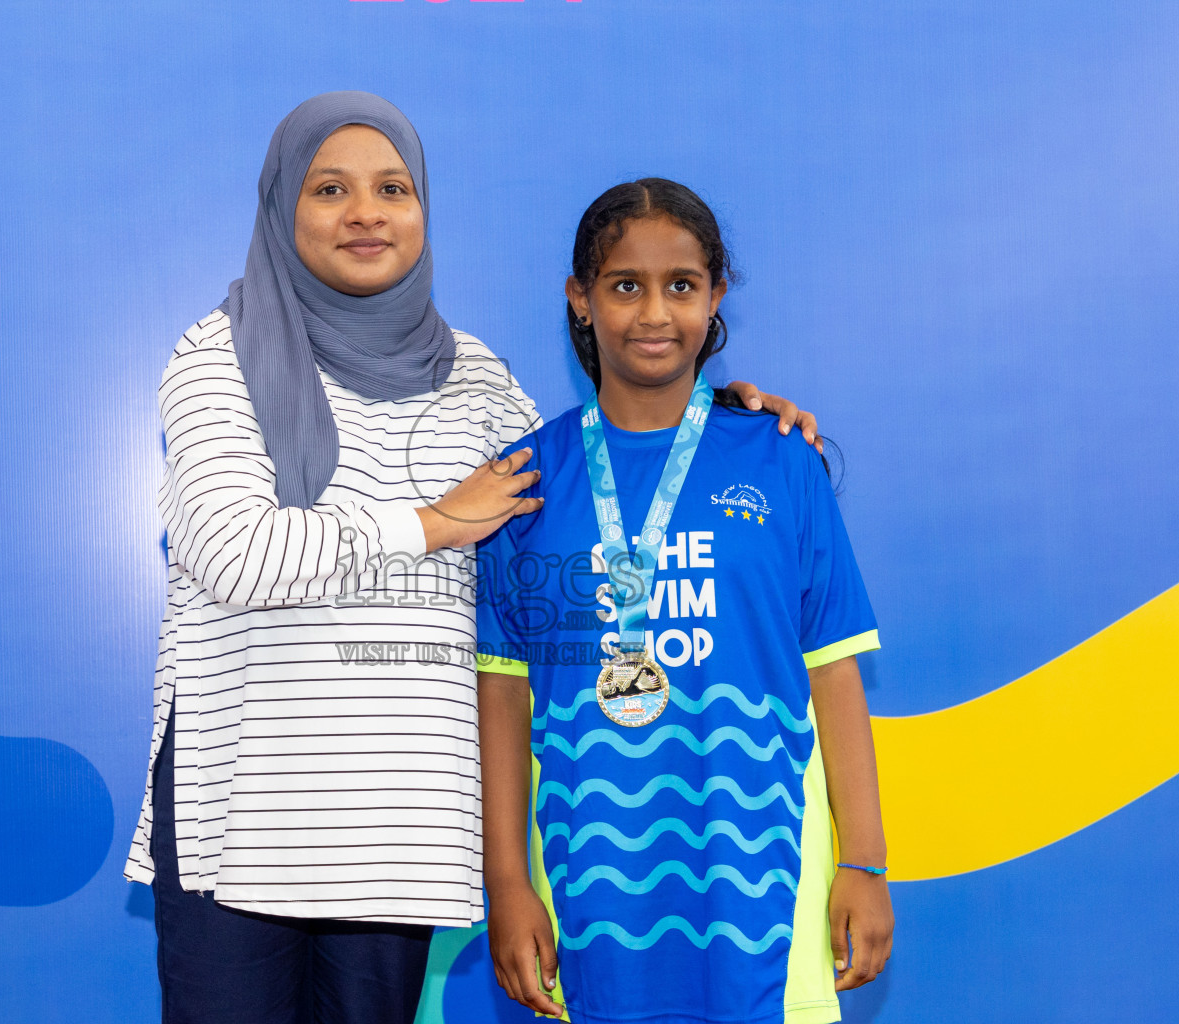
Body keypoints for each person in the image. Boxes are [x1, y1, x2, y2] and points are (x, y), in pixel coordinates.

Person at [123, 92, 822, 1024]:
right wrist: (432, 522)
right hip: (241, 824)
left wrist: (721, 411)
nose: (366, 213)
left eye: (393, 188)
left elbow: (588, 487)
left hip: (397, 829)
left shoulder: (479, 381)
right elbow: (232, 552)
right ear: (283, 205)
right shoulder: (219, 358)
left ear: (423, 212)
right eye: (331, 189)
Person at [476, 178, 893, 1024]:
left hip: (765, 877)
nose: (654, 312)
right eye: (625, 285)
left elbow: (834, 671)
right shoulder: (526, 483)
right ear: (581, 301)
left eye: (681, 286)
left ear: (715, 298)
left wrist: (867, 864)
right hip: (590, 880)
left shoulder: (781, 461)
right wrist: (510, 882)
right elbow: (504, 692)